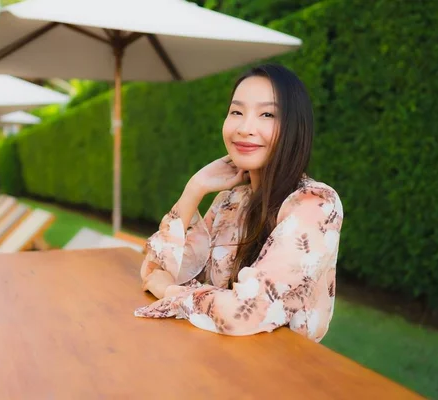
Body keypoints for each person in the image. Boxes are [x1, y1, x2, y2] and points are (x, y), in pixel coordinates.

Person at [134, 64, 344, 342]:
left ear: (295, 128)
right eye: (236, 112)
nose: (245, 128)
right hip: (214, 359)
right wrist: (193, 190)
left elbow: (243, 312)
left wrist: (171, 293)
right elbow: (153, 270)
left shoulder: (315, 205)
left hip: (279, 373)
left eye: (267, 114)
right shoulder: (230, 201)